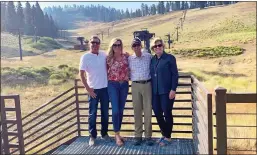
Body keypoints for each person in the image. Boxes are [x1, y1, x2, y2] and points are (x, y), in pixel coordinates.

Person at [79, 35, 110, 146]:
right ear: (89, 44)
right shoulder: (85, 57)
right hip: (93, 90)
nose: (95, 45)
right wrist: (88, 89)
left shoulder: (103, 54)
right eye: (93, 42)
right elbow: (81, 74)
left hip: (105, 88)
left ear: (99, 44)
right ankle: (92, 136)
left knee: (105, 113)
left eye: (97, 43)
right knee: (92, 114)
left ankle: (104, 133)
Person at [150, 37, 179, 146]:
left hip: (167, 91)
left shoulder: (170, 58)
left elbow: (175, 75)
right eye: (155, 46)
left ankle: (168, 137)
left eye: (159, 45)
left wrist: (173, 89)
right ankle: (164, 134)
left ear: (163, 46)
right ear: (153, 48)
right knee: (157, 113)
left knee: (167, 113)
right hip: (155, 92)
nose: (158, 47)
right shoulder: (152, 60)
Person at [128, 38, 153, 146]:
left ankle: (148, 137)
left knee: (148, 112)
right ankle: (138, 136)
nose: (136, 47)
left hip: (147, 84)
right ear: (132, 48)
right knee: (137, 111)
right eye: (134, 45)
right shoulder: (129, 59)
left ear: (141, 46)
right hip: (135, 85)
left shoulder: (148, 56)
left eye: (138, 45)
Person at [106, 38, 130, 147]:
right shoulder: (108, 59)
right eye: (114, 45)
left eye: (118, 45)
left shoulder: (126, 57)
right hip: (113, 85)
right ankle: (116, 135)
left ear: (121, 45)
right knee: (115, 110)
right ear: (112, 46)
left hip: (124, 85)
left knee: (120, 110)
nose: (117, 47)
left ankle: (118, 133)